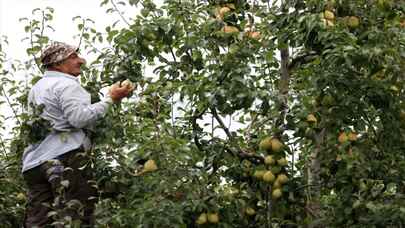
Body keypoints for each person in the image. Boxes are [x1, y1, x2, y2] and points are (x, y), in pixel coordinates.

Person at [21, 41, 134, 227]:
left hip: (34, 164)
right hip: (64, 159)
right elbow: (79, 119)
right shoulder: (66, 84)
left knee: (40, 222)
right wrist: (111, 99)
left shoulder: (37, 87)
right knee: (79, 216)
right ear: (58, 64)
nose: (81, 60)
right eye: (73, 57)